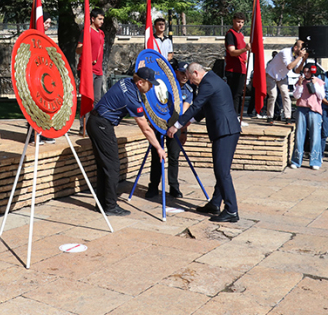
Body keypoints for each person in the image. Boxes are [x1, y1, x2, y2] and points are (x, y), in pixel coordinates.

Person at [166, 63, 241, 223]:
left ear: (196, 72)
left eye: (191, 78)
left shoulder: (208, 83)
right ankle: (215, 204)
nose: (191, 82)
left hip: (225, 131)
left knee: (222, 172)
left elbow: (196, 105)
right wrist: (189, 121)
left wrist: (177, 125)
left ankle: (231, 210)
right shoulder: (214, 80)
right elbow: (205, 108)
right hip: (225, 130)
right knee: (222, 171)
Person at [87, 67, 166, 216]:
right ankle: (110, 206)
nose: (151, 88)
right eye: (150, 84)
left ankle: (102, 204)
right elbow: (146, 129)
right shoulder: (131, 97)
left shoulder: (126, 82)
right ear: (141, 82)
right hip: (102, 125)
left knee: (104, 166)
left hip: (95, 121)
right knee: (113, 167)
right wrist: (159, 148)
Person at [147, 60, 192, 199]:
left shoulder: (188, 91)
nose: (185, 76)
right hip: (159, 124)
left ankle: (174, 187)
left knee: (174, 157)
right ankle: (153, 186)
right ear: (175, 72)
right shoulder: (165, 85)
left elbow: (184, 113)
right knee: (156, 156)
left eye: (187, 73)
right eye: (182, 73)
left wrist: (183, 131)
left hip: (175, 126)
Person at [289, 65, 325, 170]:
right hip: (302, 109)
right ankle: (296, 160)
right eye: (304, 72)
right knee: (299, 135)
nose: (306, 74)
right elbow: (296, 96)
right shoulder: (301, 81)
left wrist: (315, 85)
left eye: (308, 72)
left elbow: (321, 96)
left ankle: (315, 161)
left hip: (314, 110)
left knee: (315, 136)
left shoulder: (318, 81)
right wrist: (299, 85)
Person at [265, 40, 307, 124]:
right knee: (273, 95)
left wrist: (302, 60)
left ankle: (288, 117)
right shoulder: (285, 52)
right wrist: (299, 57)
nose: (302, 50)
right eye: (301, 48)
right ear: (295, 48)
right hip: (271, 74)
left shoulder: (297, 56)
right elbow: (289, 66)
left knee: (286, 95)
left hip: (282, 76)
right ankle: (270, 116)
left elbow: (297, 71)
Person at [76, 8, 106, 102]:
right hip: (87, 69)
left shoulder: (101, 33)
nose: (102, 21)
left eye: (103, 19)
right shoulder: (86, 31)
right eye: (100, 19)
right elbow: (78, 50)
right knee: (87, 97)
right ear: (93, 19)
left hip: (98, 70)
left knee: (97, 98)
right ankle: (84, 117)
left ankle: (93, 117)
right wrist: (85, 46)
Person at [224, 12, 251, 115]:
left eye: (242, 22)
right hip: (233, 69)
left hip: (241, 68)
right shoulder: (230, 34)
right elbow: (232, 51)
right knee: (233, 94)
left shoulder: (241, 35)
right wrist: (245, 49)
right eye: (238, 22)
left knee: (239, 94)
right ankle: (232, 116)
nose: (240, 24)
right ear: (233, 21)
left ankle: (236, 116)